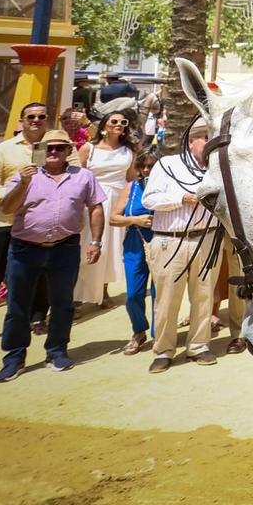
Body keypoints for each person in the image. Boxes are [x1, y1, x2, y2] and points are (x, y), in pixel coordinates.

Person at [0, 129, 106, 382]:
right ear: (40, 150)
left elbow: (96, 207)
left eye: (59, 148)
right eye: (49, 148)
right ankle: (14, 358)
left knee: (63, 304)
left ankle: (56, 352)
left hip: (64, 249)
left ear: (68, 151)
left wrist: (96, 241)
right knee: (17, 306)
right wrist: (22, 183)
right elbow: (7, 208)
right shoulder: (25, 175)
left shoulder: (83, 176)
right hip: (24, 249)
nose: (53, 152)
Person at [0, 104, 52, 347]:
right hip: (5, 221)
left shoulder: (57, 146)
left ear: (47, 119)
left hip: (40, 221)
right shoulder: (4, 149)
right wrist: (14, 200)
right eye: (31, 117)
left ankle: (38, 318)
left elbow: (73, 173)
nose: (36, 120)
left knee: (42, 271)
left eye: (41, 116)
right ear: (22, 120)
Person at [141, 119, 221, 372]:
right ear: (191, 141)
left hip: (206, 238)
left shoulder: (217, 169)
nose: (211, 144)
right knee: (166, 299)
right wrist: (181, 198)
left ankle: (199, 346)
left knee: (204, 296)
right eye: (206, 137)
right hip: (169, 239)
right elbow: (149, 199)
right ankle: (163, 350)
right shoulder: (167, 165)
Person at [75, 111, 138, 307]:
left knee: (112, 248)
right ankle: (77, 295)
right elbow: (77, 177)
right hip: (92, 203)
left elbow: (130, 178)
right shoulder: (88, 149)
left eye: (123, 122)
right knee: (87, 246)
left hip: (117, 203)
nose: (119, 124)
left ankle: (103, 290)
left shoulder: (129, 151)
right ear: (104, 126)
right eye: (114, 121)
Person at [111, 150, 155, 354]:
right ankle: (139, 330)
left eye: (151, 166)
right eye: (143, 166)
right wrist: (135, 220)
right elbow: (113, 218)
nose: (146, 170)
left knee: (159, 293)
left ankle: (159, 333)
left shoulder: (165, 187)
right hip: (134, 243)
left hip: (159, 243)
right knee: (133, 294)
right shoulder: (131, 188)